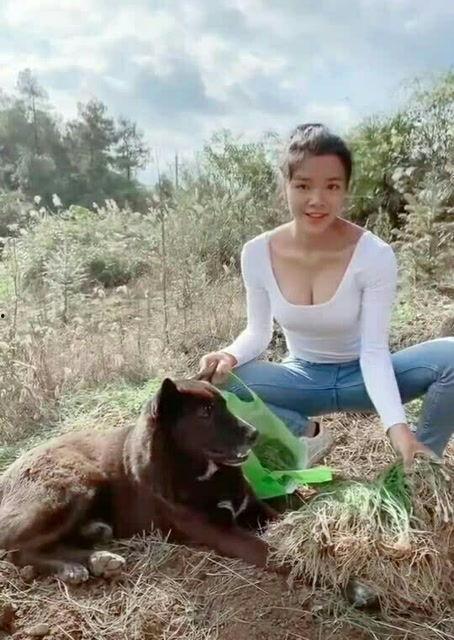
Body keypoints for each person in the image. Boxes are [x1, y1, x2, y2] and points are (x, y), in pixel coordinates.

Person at [198, 123, 454, 470]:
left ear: (345, 190)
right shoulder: (256, 253)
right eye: (303, 185)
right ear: (286, 186)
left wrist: (398, 429)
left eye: (331, 186)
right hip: (302, 379)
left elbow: (374, 350)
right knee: (217, 383)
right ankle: (307, 433)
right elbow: (258, 332)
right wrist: (229, 355)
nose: (317, 200)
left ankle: (420, 463)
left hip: (361, 376)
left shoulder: (374, 255)